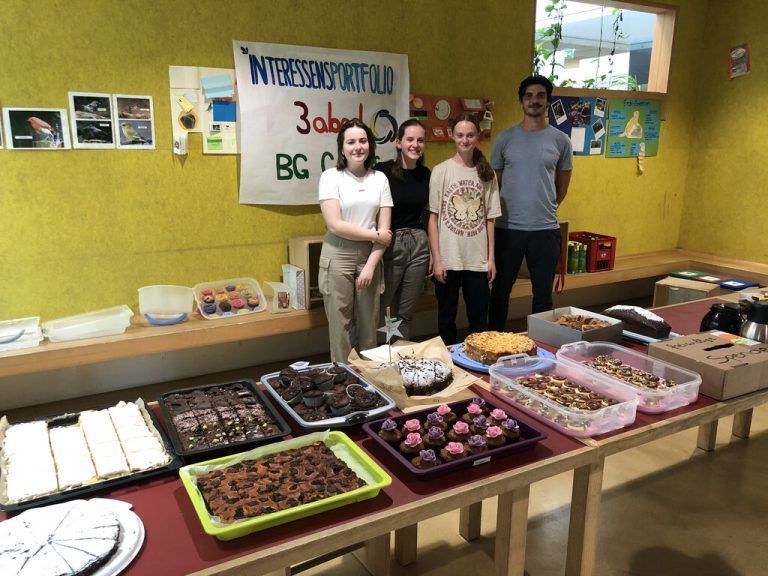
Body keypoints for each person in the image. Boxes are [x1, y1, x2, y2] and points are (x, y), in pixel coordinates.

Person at [488, 75, 573, 330]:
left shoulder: (561, 141)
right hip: (507, 228)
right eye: (529, 96)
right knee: (500, 292)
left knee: (543, 295)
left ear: (548, 101)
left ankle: (540, 343)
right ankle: (493, 338)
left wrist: (541, 207)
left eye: (540, 95)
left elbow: (561, 187)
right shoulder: (505, 139)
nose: (534, 100)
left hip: (544, 230)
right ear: (521, 101)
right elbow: (495, 185)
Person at [318, 119, 393, 362]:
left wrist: (371, 265)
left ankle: (370, 384)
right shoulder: (331, 177)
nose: (357, 147)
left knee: (369, 325)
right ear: (342, 148)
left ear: (370, 145)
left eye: (362, 141)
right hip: (337, 254)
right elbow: (335, 224)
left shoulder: (380, 178)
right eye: (350, 142)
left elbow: (386, 229)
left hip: (371, 256)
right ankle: (343, 380)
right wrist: (375, 235)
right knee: (340, 327)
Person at [428, 112, 501, 345]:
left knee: (479, 317)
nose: (465, 140)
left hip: (476, 259)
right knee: (446, 316)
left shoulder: (487, 173)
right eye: (460, 135)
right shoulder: (441, 171)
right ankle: (448, 361)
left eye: (470, 135)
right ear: (452, 136)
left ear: (477, 136)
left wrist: (491, 258)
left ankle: (477, 357)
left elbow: (490, 219)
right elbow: (433, 218)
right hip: (449, 258)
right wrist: (437, 258)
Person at [376, 119, 431, 339]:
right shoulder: (382, 172)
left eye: (420, 140)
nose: (415, 144)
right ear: (398, 142)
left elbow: (429, 215)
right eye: (409, 139)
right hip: (391, 244)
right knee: (380, 306)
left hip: (419, 244)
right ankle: (372, 358)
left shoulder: (426, 174)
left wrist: (433, 253)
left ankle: (400, 357)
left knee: (405, 312)